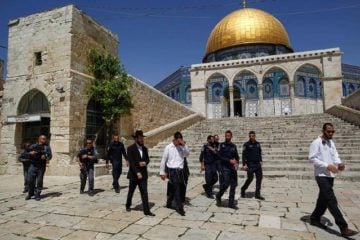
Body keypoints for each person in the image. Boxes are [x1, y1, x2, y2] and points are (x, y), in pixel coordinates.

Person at [309, 123, 357, 237]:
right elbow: (312, 158)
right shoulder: (316, 142)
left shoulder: (331, 142)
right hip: (321, 175)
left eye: (332, 131)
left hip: (330, 175)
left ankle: (314, 218)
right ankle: (343, 227)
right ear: (323, 131)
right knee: (331, 199)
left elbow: (335, 155)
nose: (331, 133)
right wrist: (326, 165)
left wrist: (339, 164)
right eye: (328, 132)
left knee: (323, 199)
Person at [126, 130, 155, 216]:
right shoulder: (130, 149)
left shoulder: (145, 149)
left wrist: (145, 163)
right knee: (131, 191)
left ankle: (147, 211)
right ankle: (128, 205)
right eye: (140, 138)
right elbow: (131, 163)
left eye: (142, 137)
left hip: (143, 175)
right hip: (134, 175)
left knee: (144, 192)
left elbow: (147, 159)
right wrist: (137, 172)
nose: (142, 139)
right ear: (136, 139)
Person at [160, 131, 190, 216]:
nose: (180, 142)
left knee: (175, 188)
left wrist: (184, 145)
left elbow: (187, 154)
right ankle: (180, 207)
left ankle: (169, 202)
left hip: (180, 171)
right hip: (172, 171)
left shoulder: (182, 147)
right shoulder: (168, 147)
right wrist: (162, 172)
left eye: (181, 140)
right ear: (175, 139)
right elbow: (163, 160)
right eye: (179, 140)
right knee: (177, 188)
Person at [215, 130, 239, 209]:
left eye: (229, 135)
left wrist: (237, 163)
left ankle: (231, 203)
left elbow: (237, 156)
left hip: (232, 168)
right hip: (225, 167)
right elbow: (219, 156)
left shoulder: (233, 146)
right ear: (225, 136)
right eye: (226, 135)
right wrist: (229, 160)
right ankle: (219, 195)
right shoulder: (221, 145)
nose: (227, 137)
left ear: (231, 136)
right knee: (225, 184)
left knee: (234, 185)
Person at [26, 135, 52, 201]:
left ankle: (37, 194)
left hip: (41, 166)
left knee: (39, 181)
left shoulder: (47, 147)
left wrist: (46, 157)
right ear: (39, 139)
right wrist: (30, 153)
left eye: (45, 139)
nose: (45, 140)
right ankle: (30, 193)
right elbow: (25, 153)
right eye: (43, 139)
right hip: (33, 165)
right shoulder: (33, 146)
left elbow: (50, 156)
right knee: (30, 180)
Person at [240, 131, 265, 200]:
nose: (252, 137)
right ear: (249, 137)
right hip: (250, 164)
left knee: (259, 178)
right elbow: (243, 155)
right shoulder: (246, 144)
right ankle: (243, 189)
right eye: (250, 136)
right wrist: (244, 164)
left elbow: (259, 153)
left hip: (257, 164)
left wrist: (261, 160)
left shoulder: (258, 144)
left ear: (255, 136)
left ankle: (257, 194)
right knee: (250, 179)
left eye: (253, 136)